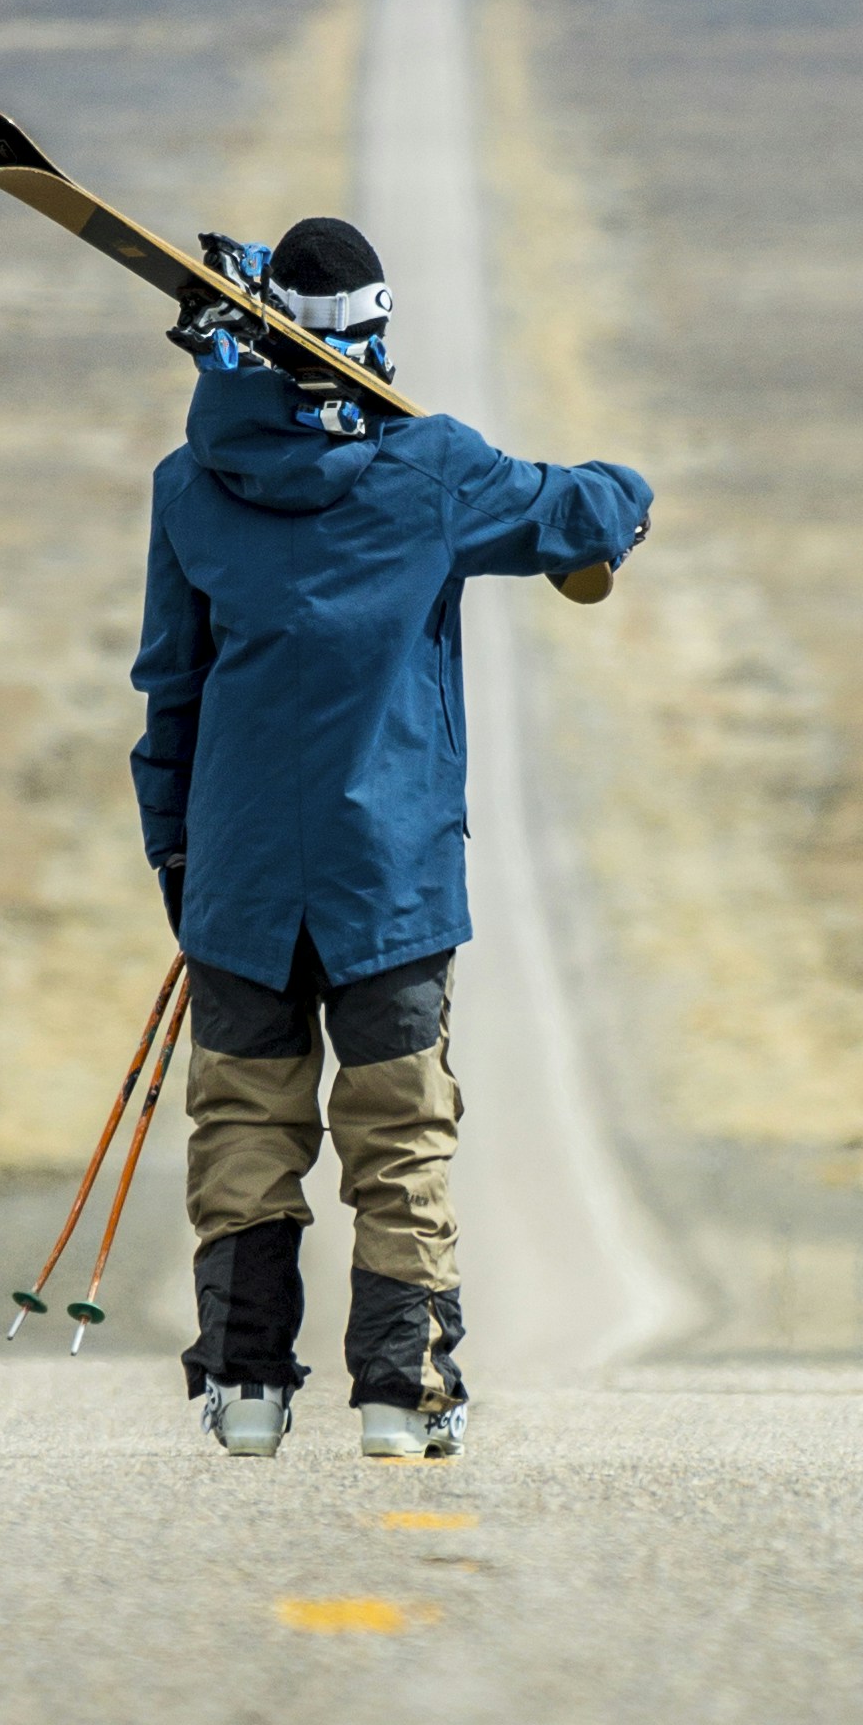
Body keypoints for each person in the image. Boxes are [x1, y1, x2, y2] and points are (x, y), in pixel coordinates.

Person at [129, 208, 652, 1463]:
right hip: (392, 885)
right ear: (377, 338)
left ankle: (246, 1392)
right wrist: (622, 504)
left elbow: (171, 691)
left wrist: (177, 858)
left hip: (239, 879)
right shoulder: (434, 475)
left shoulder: (190, 486)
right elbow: (592, 513)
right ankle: (400, 1392)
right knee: (399, 1136)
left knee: (247, 1130)